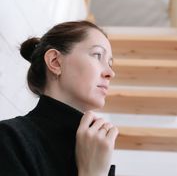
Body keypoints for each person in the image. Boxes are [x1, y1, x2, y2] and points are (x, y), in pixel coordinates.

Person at [0, 20, 118, 176]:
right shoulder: (9, 139)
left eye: (110, 63)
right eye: (97, 55)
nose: (111, 73)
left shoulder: (99, 150)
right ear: (55, 61)